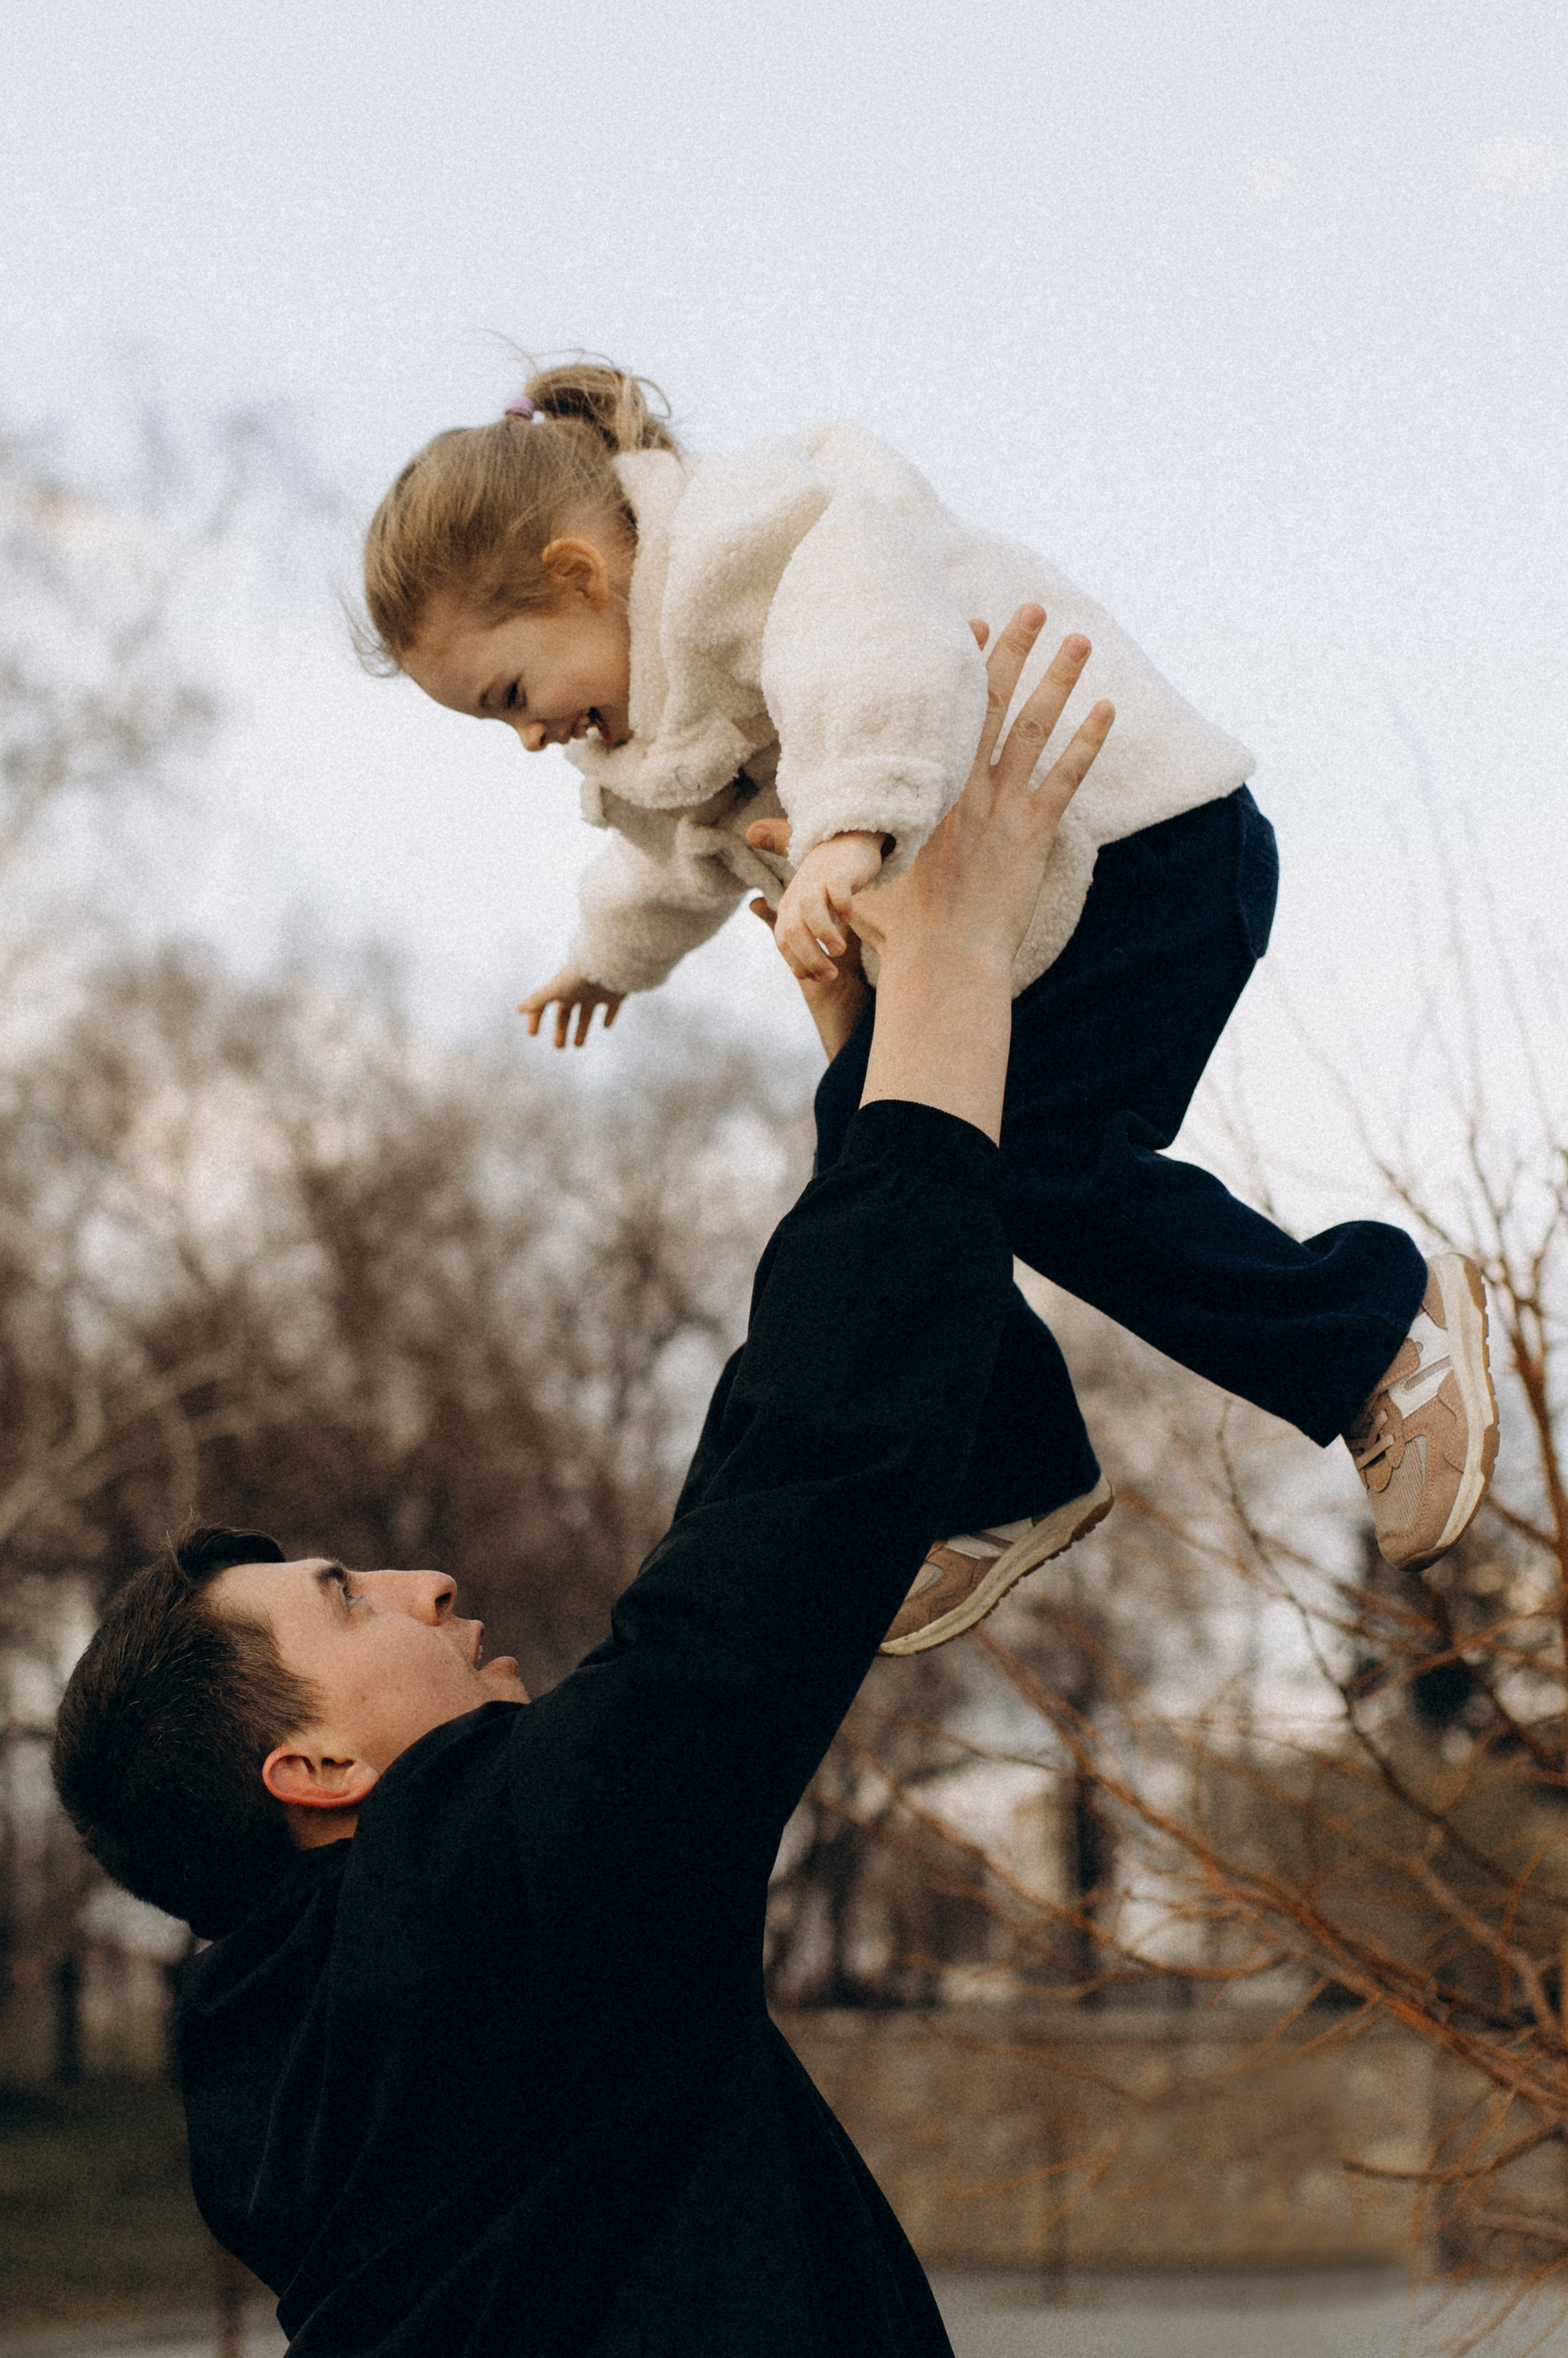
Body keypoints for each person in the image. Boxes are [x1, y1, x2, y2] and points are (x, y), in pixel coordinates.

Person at [52, 611, 1109, 2358]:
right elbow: (777, 1532)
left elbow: (728, 1525)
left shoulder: (309, 2055)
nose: (425, 1583)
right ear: (308, 1763)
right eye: (345, 1600)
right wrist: (948, 990)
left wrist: (871, 1086)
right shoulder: (475, 1904)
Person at [362, 363, 1497, 1640]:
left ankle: (1374, 1340)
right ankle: (1006, 1473)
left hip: (1145, 856)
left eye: (510, 693)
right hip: (1019, 930)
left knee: (1024, 1158)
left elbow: (867, 651)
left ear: (577, 574)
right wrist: (600, 954)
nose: (524, 736)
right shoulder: (645, 726)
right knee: (878, 1165)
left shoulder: (760, 537)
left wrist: (845, 827)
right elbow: (659, 861)